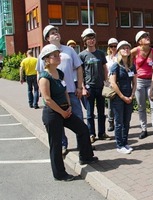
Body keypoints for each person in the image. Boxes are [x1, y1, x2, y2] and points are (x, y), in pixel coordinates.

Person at [38, 44, 98, 181]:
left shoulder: (60, 73)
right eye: (55, 55)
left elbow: (65, 90)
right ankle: (60, 174)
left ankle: (86, 157)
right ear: (46, 59)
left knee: (82, 129)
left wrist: (69, 106)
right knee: (56, 144)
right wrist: (61, 112)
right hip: (53, 114)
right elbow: (47, 99)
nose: (58, 57)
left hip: (65, 110)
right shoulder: (44, 77)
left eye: (58, 54)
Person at [36, 25, 84, 155]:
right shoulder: (44, 53)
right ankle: (63, 144)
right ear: (47, 38)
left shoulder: (69, 50)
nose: (56, 34)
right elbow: (39, 73)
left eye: (57, 31)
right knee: (58, 121)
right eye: (52, 33)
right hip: (54, 95)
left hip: (71, 92)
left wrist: (79, 87)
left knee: (78, 118)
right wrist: (43, 92)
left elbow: (79, 68)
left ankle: (82, 145)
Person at [79, 28, 110, 143]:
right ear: (85, 41)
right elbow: (80, 73)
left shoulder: (100, 54)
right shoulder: (82, 55)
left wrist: (106, 82)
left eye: (93, 38)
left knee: (102, 112)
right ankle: (91, 134)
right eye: (89, 39)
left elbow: (105, 69)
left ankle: (101, 133)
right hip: (89, 87)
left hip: (100, 86)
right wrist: (82, 87)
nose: (91, 41)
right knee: (90, 113)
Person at [131, 31, 153, 139]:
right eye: (144, 37)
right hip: (139, 81)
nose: (147, 37)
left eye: (147, 35)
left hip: (151, 81)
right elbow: (124, 59)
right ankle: (143, 129)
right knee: (141, 106)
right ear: (139, 41)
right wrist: (130, 73)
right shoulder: (135, 51)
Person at [110, 40, 137, 154]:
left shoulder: (131, 66)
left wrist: (132, 95)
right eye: (123, 48)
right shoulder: (116, 65)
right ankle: (119, 144)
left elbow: (135, 82)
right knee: (119, 121)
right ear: (119, 51)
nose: (126, 49)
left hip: (129, 96)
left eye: (127, 48)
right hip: (118, 97)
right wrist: (122, 96)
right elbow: (113, 83)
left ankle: (125, 142)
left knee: (127, 121)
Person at [105, 38, 118, 132]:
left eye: (115, 46)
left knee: (119, 104)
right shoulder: (106, 58)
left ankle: (119, 121)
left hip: (119, 82)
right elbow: (105, 70)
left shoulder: (120, 57)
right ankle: (110, 122)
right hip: (110, 83)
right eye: (111, 46)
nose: (113, 48)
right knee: (110, 104)